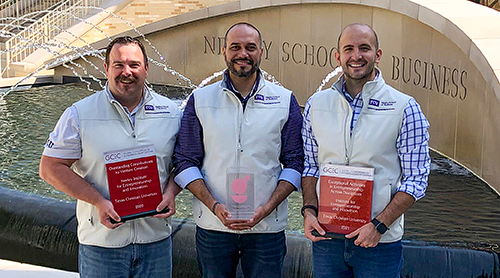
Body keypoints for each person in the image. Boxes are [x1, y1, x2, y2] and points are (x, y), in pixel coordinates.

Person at [39, 36, 181, 278]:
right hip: (102, 245)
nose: (127, 72)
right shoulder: (79, 114)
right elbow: (50, 167)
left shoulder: (171, 113)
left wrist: (171, 192)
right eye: (119, 64)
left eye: (134, 64)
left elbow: (183, 163)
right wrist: (98, 202)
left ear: (146, 69)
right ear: (106, 69)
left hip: (155, 242)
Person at [173, 22, 304, 278]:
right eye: (235, 47)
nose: (242, 54)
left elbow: (296, 162)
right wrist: (213, 205)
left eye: (250, 47)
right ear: (224, 51)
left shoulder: (284, 100)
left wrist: (268, 207)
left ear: (261, 52)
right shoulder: (200, 100)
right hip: (213, 227)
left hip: (267, 228)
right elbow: (185, 161)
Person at [301, 23, 431, 277]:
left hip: (378, 242)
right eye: (348, 49)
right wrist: (309, 211)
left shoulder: (404, 107)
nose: (356, 56)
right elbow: (310, 166)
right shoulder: (316, 105)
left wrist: (379, 225)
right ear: (338, 57)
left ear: (378, 55)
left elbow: (416, 180)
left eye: (364, 48)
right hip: (327, 239)